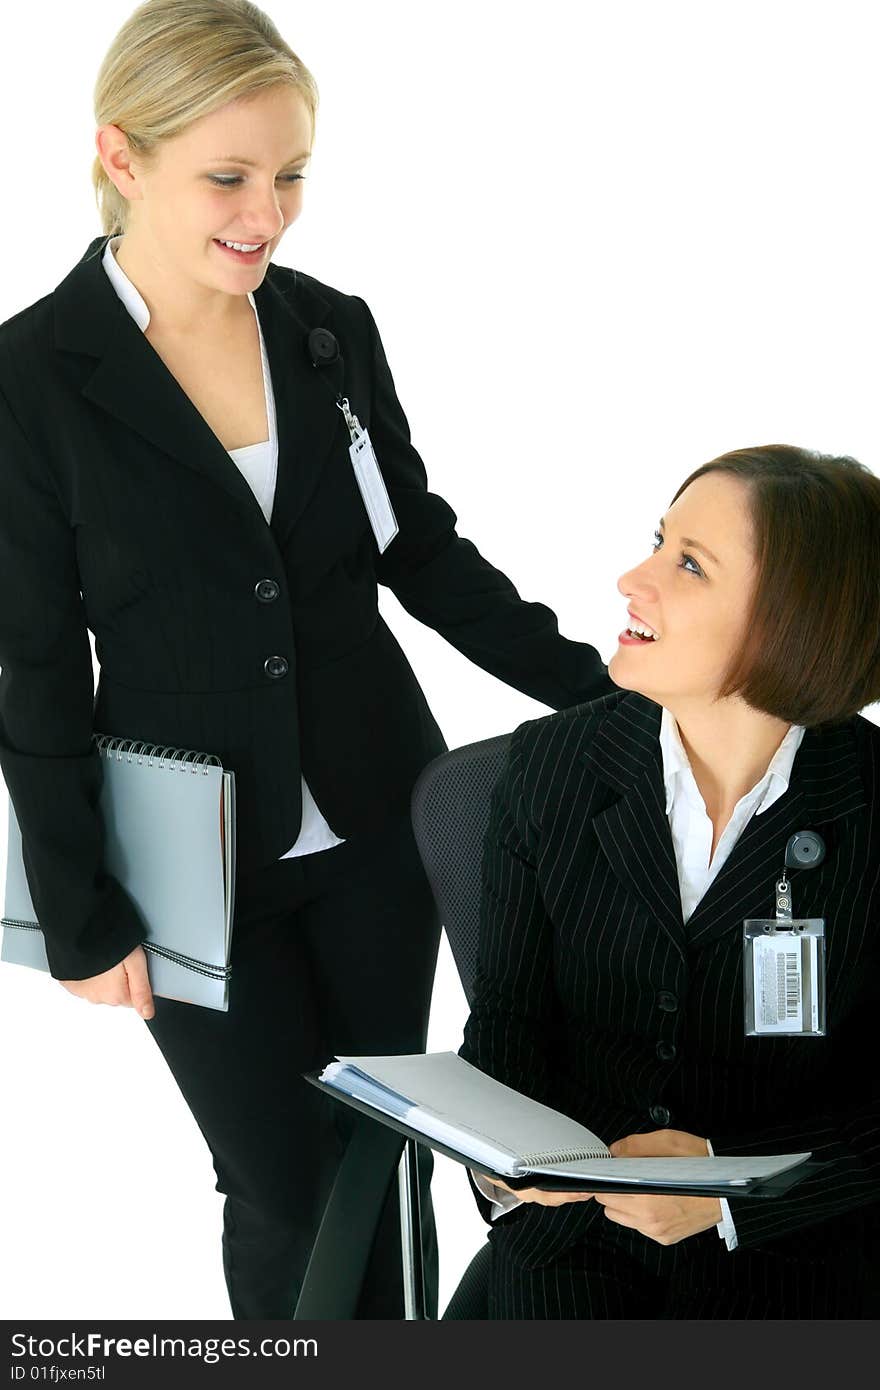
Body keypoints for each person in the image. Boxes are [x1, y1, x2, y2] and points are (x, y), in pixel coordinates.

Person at [0, 0, 616, 1320]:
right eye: (228, 176)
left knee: (385, 1155)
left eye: (290, 175)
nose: (266, 212)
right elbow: (32, 663)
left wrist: (615, 693)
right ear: (122, 156)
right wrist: (71, 902)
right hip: (184, 853)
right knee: (276, 1177)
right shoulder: (32, 376)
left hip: (380, 816)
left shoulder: (328, 329)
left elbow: (424, 554)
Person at [460, 443, 880, 1319]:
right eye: (657, 539)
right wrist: (511, 1175)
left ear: (792, 620)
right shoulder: (553, 767)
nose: (630, 578)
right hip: (576, 1242)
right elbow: (506, 1026)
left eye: (687, 564)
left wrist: (731, 1192)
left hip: (795, 1247)